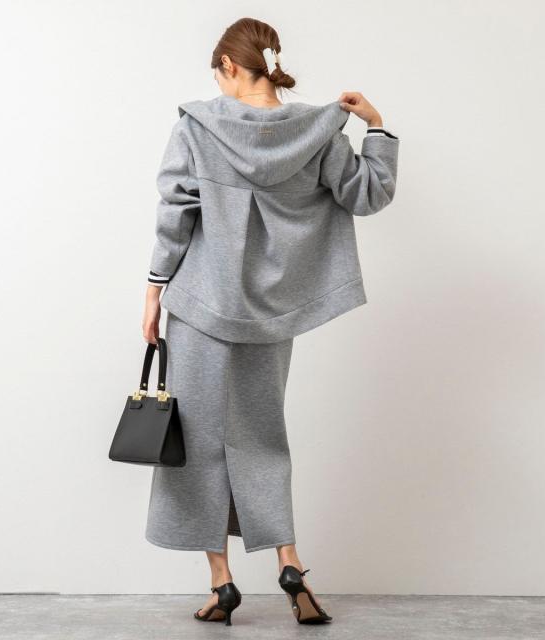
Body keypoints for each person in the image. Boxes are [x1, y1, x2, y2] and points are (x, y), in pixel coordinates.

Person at [141, 17, 399, 626]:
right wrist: (377, 127)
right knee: (261, 436)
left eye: (217, 73)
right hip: (271, 316)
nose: (217, 83)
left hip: (201, 308)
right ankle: (290, 566)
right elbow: (368, 195)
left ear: (231, 66)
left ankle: (222, 582)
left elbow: (176, 214)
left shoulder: (197, 126)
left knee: (198, 439)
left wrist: (154, 290)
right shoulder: (319, 132)